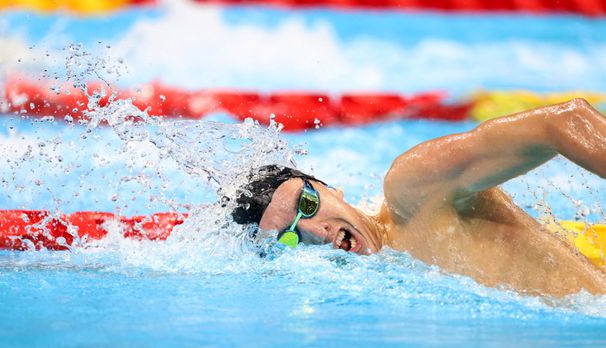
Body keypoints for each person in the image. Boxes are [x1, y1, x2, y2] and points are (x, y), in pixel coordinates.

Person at [231, 99, 606, 297]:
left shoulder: (413, 192)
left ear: (331, 189)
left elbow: (562, 122)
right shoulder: (381, 292)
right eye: (290, 236)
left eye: (307, 205)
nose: (316, 231)